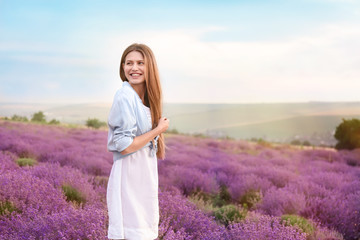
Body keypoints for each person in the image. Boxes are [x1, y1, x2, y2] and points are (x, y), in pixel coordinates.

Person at [106, 43, 169, 240]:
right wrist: (158, 130)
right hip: (129, 176)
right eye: (129, 63)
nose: (134, 68)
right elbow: (124, 146)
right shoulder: (125, 95)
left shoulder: (143, 98)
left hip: (142, 176)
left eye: (140, 63)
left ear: (150, 66)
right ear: (122, 67)